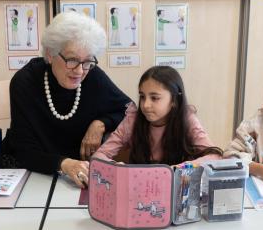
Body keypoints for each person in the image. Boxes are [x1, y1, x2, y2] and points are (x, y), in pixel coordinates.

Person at [3, 11, 133, 188]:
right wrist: (64, 164)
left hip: (77, 175)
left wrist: (101, 123)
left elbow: (129, 111)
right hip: (31, 171)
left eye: (87, 61)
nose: (80, 71)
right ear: (50, 54)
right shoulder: (25, 82)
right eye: (72, 60)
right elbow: (24, 150)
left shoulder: (93, 76)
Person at [93, 66, 222, 166]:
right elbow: (99, 155)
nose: (145, 105)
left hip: (176, 191)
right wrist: (116, 167)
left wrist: (183, 167)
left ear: (174, 101)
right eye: (142, 97)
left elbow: (214, 157)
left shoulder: (187, 120)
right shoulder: (133, 120)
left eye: (154, 98)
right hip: (140, 189)